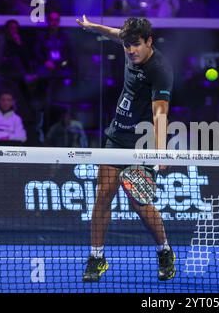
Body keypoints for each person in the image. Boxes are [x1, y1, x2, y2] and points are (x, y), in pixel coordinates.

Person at [76, 16, 175, 282]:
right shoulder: (128, 44)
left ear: (149, 42)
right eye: (128, 45)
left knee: (139, 204)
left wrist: (161, 150)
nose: (131, 51)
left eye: (136, 45)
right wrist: (93, 27)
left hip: (141, 143)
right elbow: (115, 33)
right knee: (103, 193)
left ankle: (164, 250)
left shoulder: (160, 70)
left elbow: (160, 113)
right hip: (116, 136)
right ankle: (97, 258)